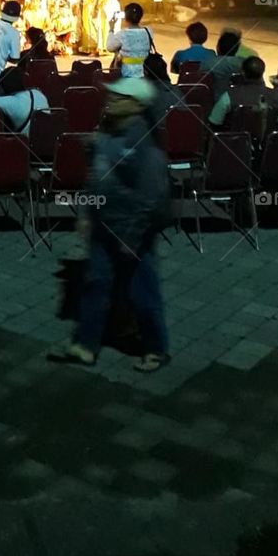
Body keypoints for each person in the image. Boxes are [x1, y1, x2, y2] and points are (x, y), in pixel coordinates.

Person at [48, 77, 171, 372]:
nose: (111, 99)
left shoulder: (144, 143)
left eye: (120, 97)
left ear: (137, 106)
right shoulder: (107, 131)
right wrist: (86, 215)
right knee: (95, 284)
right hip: (105, 226)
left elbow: (150, 197)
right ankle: (86, 345)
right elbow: (96, 177)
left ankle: (156, 348)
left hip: (133, 232)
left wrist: (131, 237)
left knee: (142, 293)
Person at [106, 3, 154, 79]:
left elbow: (109, 47)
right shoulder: (148, 32)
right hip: (144, 72)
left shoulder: (122, 34)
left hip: (125, 74)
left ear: (125, 18)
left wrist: (111, 29)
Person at [207, 30, 248, 100]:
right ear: (237, 49)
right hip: (239, 101)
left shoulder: (208, 63)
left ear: (218, 47)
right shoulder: (246, 64)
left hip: (212, 101)